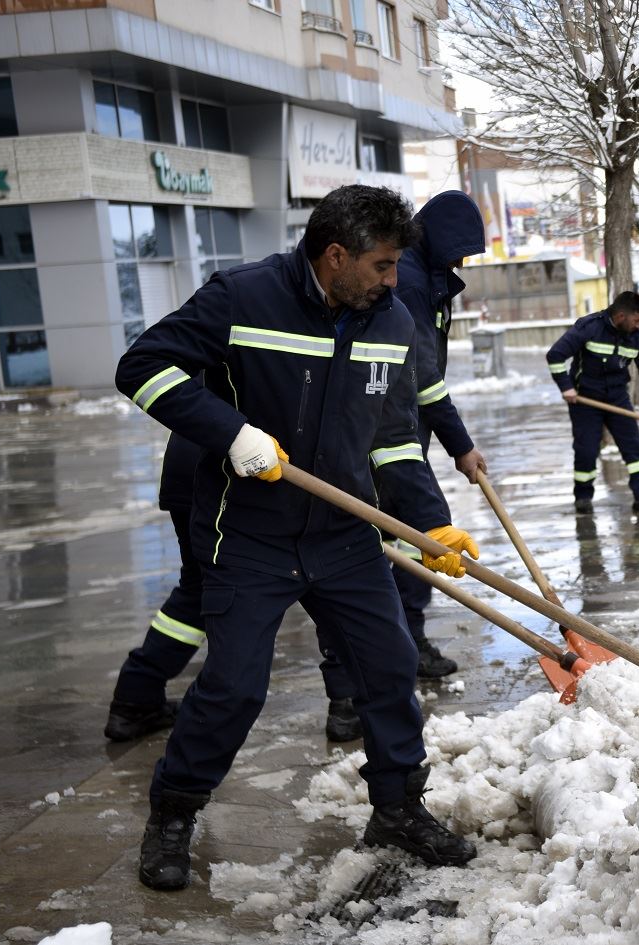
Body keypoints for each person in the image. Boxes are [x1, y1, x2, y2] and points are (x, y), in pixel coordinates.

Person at [115, 184, 479, 892]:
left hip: (343, 533)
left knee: (389, 665)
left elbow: (395, 436)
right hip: (250, 534)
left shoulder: (392, 321)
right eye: (380, 264)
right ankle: (172, 812)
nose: (392, 278)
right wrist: (233, 431)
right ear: (335, 255)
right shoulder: (244, 299)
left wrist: (429, 521)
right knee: (234, 686)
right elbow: (142, 367)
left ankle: (398, 804)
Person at [104, 432, 364, 744]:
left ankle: (137, 695)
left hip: (193, 464)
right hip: (242, 479)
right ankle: (347, 703)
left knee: (198, 587)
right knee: (327, 576)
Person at [387, 190, 488, 679]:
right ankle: (401, 645)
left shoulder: (426, 276)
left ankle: (408, 637)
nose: (465, 259)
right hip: (392, 428)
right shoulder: (405, 281)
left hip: (410, 426)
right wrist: (461, 445)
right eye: (462, 247)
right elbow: (423, 372)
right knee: (425, 528)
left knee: (413, 536)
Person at [546, 291, 639, 514]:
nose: (638, 325)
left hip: (617, 399)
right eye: (635, 320)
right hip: (585, 400)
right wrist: (566, 387)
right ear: (621, 316)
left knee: (634, 449)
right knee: (586, 451)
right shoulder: (589, 327)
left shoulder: (636, 338)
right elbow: (555, 355)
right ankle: (583, 498)